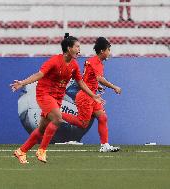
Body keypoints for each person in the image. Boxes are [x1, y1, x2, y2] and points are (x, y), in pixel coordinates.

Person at [10, 33, 103, 164]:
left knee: (42, 129)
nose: (79, 50)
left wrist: (93, 95)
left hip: (58, 98)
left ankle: (21, 151)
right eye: (77, 47)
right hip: (44, 94)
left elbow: (81, 83)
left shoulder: (74, 65)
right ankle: (42, 150)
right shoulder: (54, 61)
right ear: (69, 48)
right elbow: (39, 74)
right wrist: (22, 83)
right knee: (58, 119)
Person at [62, 37, 121, 152]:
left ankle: (104, 145)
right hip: (85, 96)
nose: (109, 52)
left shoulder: (92, 61)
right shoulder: (96, 62)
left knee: (103, 118)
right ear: (102, 51)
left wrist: (96, 85)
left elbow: (87, 78)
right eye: (108, 50)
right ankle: (57, 114)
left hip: (91, 95)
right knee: (83, 123)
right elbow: (100, 78)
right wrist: (114, 87)